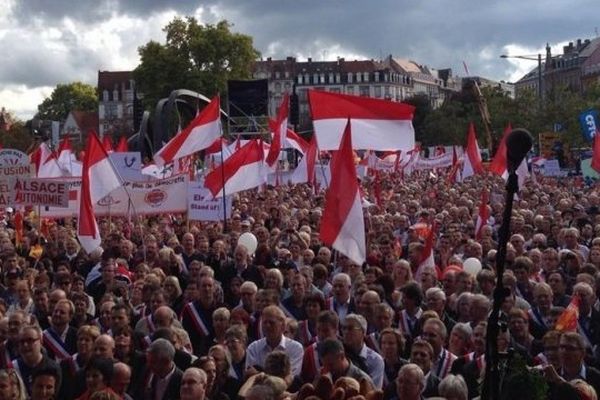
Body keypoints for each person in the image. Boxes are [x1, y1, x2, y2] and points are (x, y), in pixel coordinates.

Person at [245, 305, 303, 377]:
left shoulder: (295, 348)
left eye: (271, 323)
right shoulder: (253, 348)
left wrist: (260, 374)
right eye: (265, 322)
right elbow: (251, 376)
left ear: (283, 326)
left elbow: (291, 377)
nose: (267, 326)